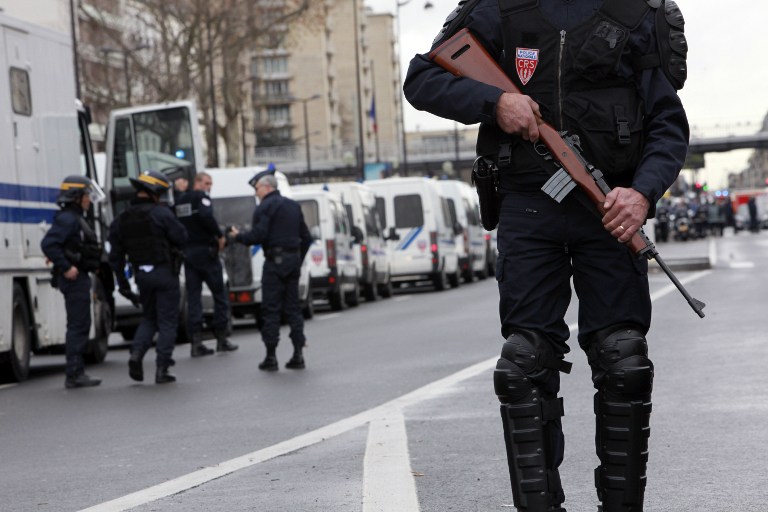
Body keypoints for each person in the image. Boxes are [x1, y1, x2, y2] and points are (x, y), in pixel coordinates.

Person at [404, 1, 689, 511]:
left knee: (624, 362)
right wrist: (494, 103)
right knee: (522, 366)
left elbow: (668, 125)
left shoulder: (636, 13)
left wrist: (642, 193)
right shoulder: (500, 9)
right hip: (528, 208)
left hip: (609, 209)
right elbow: (422, 78)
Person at [108, 170, 188, 384]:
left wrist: (123, 285)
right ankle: (162, 368)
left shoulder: (122, 218)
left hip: (142, 275)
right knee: (168, 321)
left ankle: (136, 354)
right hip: (164, 273)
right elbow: (182, 237)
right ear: (155, 193)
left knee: (149, 318)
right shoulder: (161, 214)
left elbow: (115, 256)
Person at [228, 168, 312, 371]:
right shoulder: (293, 206)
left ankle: (271, 356)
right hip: (292, 262)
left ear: (267, 187)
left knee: (271, 309)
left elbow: (258, 235)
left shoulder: (264, 207)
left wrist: (238, 236)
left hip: (274, 263)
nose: (256, 193)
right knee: (293, 309)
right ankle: (298, 355)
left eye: (257, 188)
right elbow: (306, 237)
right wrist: (297, 259)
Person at [41, 176, 106, 389]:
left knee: (81, 324)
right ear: (76, 197)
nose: (89, 199)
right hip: (74, 279)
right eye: (86, 195)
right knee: (78, 326)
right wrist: (67, 267)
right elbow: (49, 244)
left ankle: (77, 372)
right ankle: (74, 374)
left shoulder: (75, 218)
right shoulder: (68, 219)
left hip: (80, 277)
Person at [175, 172, 238, 357]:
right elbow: (206, 217)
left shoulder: (180, 201)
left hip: (188, 253)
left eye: (210, 183)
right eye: (207, 182)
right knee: (220, 295)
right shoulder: (201, 198)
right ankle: (221, 339)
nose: (209, 186)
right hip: (206, 252)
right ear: (198, 182)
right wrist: (219, 235)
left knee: (194, 299)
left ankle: (196, 343)